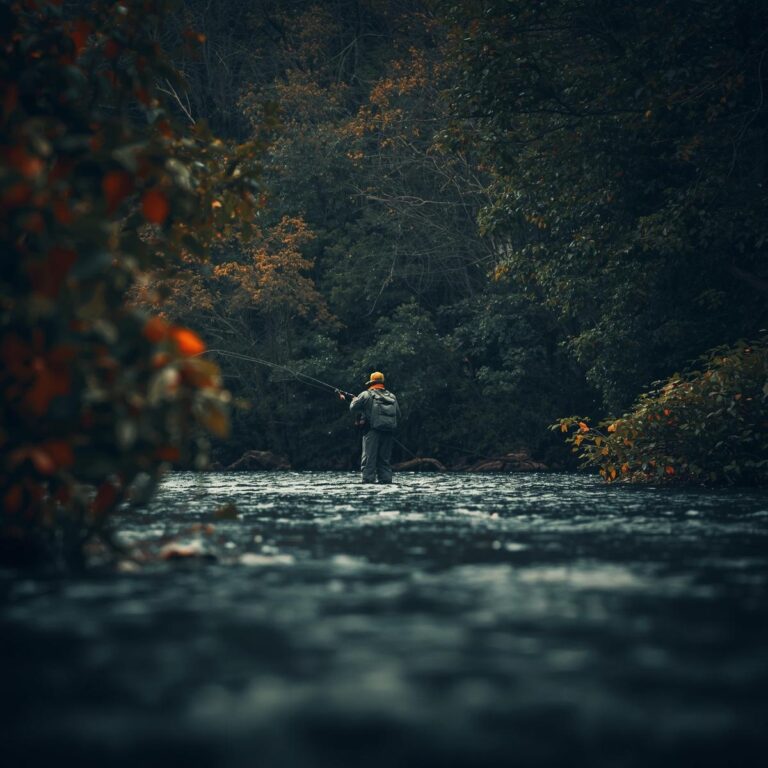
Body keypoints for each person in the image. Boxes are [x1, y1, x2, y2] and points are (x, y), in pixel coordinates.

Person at [339, 371, 401, 484]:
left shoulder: (366, 394)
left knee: (369, 461)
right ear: (382, 382)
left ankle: (368, 485)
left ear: (371, 382)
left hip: (371, 432)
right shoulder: (392, 396)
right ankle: (386, 483)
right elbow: (398, 414)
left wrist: (352, 400)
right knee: (384, 461)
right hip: (388, 432)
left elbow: (353, 408)